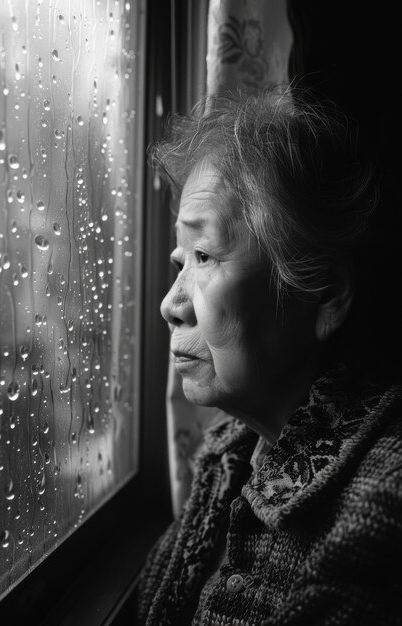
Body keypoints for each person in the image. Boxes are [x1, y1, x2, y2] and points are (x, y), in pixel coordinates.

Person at [136, 86, 402, 625]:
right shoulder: (229, 456)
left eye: (204, 256)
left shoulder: (384, 505)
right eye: (178, 261)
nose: (170, 305)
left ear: (324, 292)